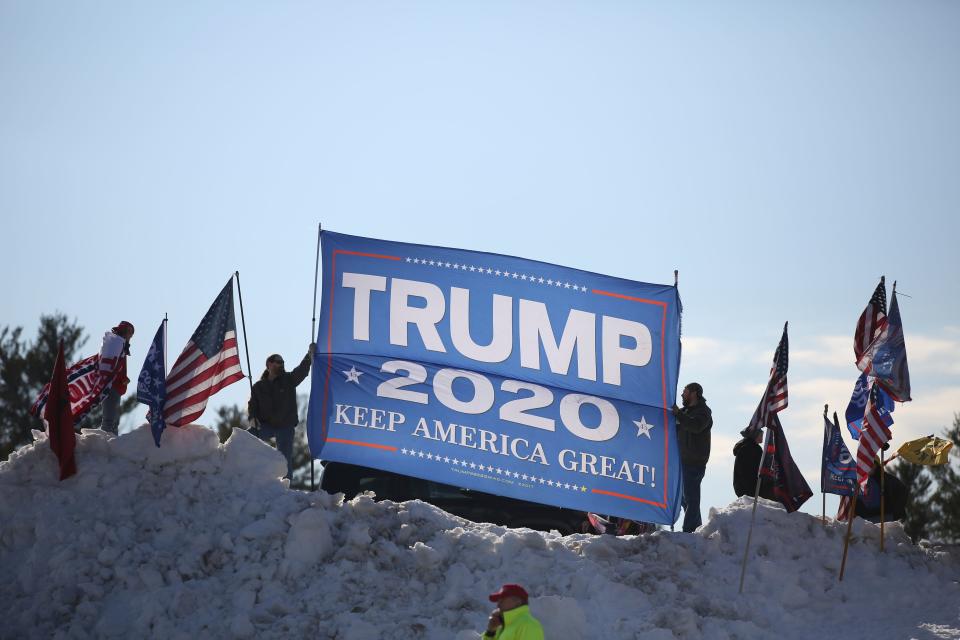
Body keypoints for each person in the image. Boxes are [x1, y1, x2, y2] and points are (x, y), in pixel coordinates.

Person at [247, 343, 316, 480]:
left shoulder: (289, 380)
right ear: (269, 364)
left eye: (283, 362)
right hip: (265, 426)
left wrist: (309, 355)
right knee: (246, 436)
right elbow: (252, 405)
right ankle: (241, 469)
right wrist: (252, 418)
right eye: (278, 362)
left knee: (285, 458)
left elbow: (302, 371)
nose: (282, 364)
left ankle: (286, 487)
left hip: (285, 426)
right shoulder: (258, 387)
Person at [672, 382, 713, 532]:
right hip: (682, 461)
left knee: (691, 498)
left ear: (694, 393)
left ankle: (690, 530)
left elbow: (695, 426)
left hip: (694, 461)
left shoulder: (703, 412)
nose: (682, 394)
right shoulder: (685, 412)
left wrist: (678, 415)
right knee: (685, 498)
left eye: (685, 391)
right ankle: (697, 528)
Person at [99, 321, 134, 434]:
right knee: (109, 420)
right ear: (124, 331)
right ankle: (106, 445)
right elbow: (110, 366)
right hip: (110, 386)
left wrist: (123, 378)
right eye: (129, 332)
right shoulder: (116, 343)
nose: (131, 335)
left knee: (114, 421)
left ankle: (112, 444)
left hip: (115, 386)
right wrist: (121, 378)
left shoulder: (118, 344)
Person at [855, 455, 908, 523]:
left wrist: (895, 512)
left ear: (876, 465)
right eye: (865, 464)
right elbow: (857, 502)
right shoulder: (860, 482)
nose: (867, 467)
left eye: (870, 464)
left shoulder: (886, 479)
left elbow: (903, 492)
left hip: (886, 518)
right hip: (867, 520)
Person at [732, 428, 775, 500]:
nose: (762, 437)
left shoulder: (745, 447)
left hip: (742, 488)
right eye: (761, 435)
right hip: (751, 489)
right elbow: (754, 471)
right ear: (755, 435)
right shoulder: (753, 449)